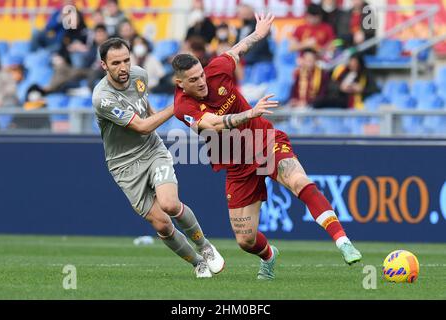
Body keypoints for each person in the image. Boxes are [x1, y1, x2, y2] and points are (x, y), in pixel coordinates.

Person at [172, 13, 362, 280]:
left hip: (263, 140)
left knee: (298, 180)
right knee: (245, 240)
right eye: (193, 80)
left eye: (201, 75)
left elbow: (237, 50)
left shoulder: (217, 69)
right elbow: (213, 125)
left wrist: (258, 34)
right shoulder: (183, 106)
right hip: (234, 161)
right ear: (180, 83)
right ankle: (269, 256)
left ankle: (343, 241)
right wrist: (249, 114)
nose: (201, 82)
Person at [91, 38, 224, 278]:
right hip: (124, 166)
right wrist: (178, 105)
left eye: (126, 60)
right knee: (162, 224)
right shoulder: (103, 98)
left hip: (152, 150)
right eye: (116, 63)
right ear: (104, 65)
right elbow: (141, 126)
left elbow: (145, 108)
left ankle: (205, 247)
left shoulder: (139, 75)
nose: (123, 68)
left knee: (170, 204)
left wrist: (183, 117)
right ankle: (197, 263)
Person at [313, 53, 379, 109]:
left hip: (358, 102)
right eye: (351, 63)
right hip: (341, 99)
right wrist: (341, 87)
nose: (353, 65)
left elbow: (375, 90)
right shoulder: (343, 72)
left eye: (355, 63)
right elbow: (330, 84)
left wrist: (361, 89)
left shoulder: (366, 74)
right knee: (320, 101)